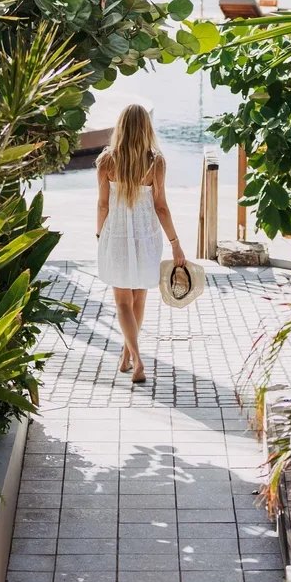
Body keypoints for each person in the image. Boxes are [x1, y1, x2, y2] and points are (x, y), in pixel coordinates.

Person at [95, 104, 186, 384]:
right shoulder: (156, 162)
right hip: (146, 237)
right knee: (138, 299)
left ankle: (135, 360)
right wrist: (175, 243)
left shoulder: (106, 161)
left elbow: (102, 204)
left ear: (120, 127)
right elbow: (161, 208)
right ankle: (129, 357)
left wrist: (100, 235)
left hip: (117, 236)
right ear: (147, 128)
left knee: (122, 302)